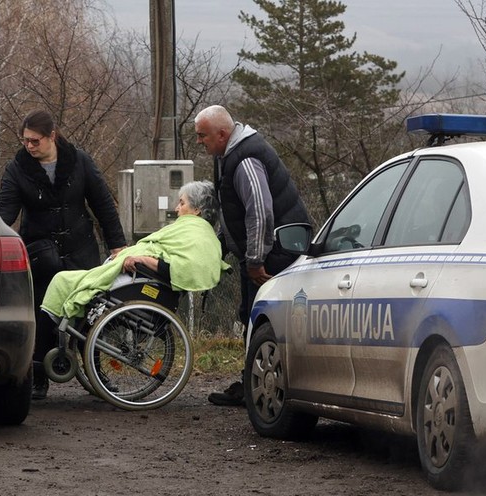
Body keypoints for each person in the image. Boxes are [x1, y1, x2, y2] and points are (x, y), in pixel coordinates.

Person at [0, 109, 127, 400]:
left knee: (90, 314)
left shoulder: (79, 161)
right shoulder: (17, 168)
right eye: (25, 141)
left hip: (81, 250)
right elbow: (5, 211)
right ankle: (38, 376)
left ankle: (96, 374)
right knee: (43, 314)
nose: (29, 146)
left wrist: (117, 244)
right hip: (42, 253)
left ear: (51, 136)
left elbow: (103, 204)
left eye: (35, 141)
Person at [194, 104, 310, 407]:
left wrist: (256, 260)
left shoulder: (244, 158)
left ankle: (264, 385)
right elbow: (235, 212)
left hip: (276, 250)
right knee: (250, 313)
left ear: (221, 134)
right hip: (263, 248)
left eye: (202, 136)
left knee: (262, 317)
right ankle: (252, 382)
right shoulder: (227, 154)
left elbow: (260, 213)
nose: (199, 141)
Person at [40, 180, 228, 320]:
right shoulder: (196, 231)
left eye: (182, 203)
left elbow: (181, 266)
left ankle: (44, 353)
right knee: (64, 280)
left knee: (62, 280)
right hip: (134, 273)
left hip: (142, 279)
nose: (176, 208)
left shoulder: (194, 231)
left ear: (197, 210)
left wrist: (141, 259)